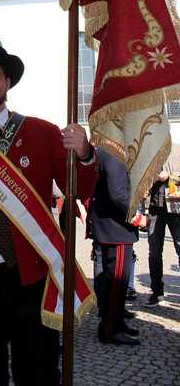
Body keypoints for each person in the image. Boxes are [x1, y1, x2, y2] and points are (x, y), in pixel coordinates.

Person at [0, 42, 99, 386]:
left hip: (33, 277)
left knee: (38, 372)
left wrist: (84, 153)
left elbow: (79, 190)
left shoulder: (42, 132)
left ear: (7, 83)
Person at [87, 147, 146, 346]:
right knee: (116, 282)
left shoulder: (106, 151)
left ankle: (117, 320)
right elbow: (119, 195)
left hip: (110, 227)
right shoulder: (115, 153)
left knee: (113, 281)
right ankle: (110, 329)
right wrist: (138, 219)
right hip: (116, 228)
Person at [145, 164, 180, 306]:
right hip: (154, 208)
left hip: (176, 209)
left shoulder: (177, 149)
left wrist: (171, 176)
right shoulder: (151, 149)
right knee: (154, 252)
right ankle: (157, 292)